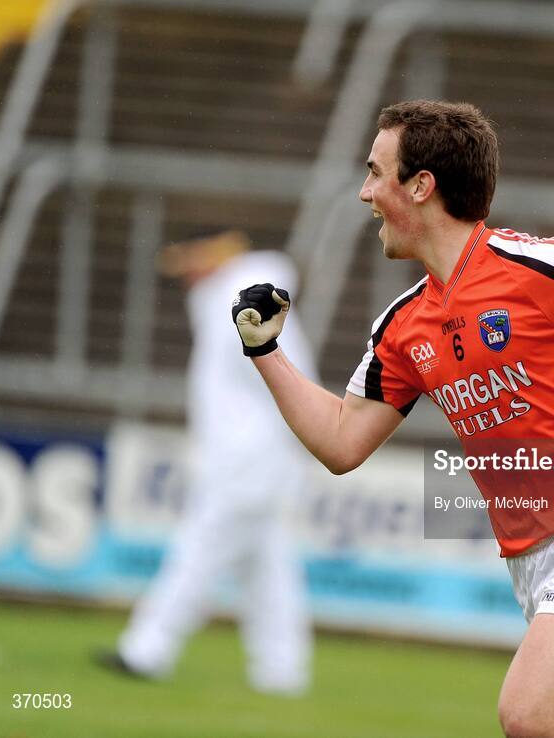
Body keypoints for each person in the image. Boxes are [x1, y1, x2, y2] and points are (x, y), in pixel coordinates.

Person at [233, 101, 554, 736]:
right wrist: (265, 352)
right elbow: (342, 441)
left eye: (376, 173)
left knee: (529, 718)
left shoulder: (541, 265)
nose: (365, 193)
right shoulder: (405, 325)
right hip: (533, 561)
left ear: (421, 185)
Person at [99, 229, 316, 696]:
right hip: (252, 460)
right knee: (267, 568)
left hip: (249, 463)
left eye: (192, 264)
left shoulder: (247, 309)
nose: (187, 278)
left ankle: (147, 649)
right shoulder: (229, 306)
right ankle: (282, 671)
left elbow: (296, 384)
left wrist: (285, 454)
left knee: (198, 552)